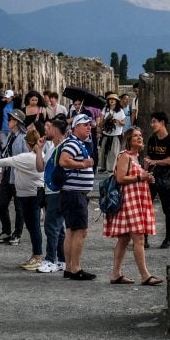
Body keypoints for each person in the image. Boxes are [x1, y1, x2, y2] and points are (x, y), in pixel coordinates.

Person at [0, 127, 45, 270]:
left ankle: (38, 256)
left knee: (34, 228)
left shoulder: (24, 158)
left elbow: (2, 162)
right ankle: (36, 255)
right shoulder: (40, 155)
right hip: (33, 194)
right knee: (34, 228)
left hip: (28, 196)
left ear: (27, 143)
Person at [104, 128, 161, 286]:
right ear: (129, 140)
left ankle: (116, 274)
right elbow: (121, 178)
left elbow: (134, 177)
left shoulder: (136, 157)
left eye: (140, 135)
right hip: (129, 200)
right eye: (135, 136)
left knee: (124, 239)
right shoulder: (125, 155)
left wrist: (146, 179)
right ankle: (145, 275)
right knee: (138, 238)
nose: (139, 138)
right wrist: (140, 177)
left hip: (136, 199)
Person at [59, 114, 96, 280]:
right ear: (75, 127)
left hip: (72, 193)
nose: (89, 127)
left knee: (71, 231)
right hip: (75, 194)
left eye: (89, 125)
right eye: (85, 125)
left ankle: (69, 267)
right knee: (79, 231)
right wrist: (83, 164)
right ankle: (75, 268)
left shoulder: (77, 143)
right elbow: (64, 161)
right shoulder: (73, 143)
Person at [35, 117, 68, 273]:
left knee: (51, 226)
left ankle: (50, 259)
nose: (45, 130)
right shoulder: (51, 147)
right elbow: (40, 168)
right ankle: (61, 259)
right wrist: (39, 150)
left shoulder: (63, 147)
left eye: (48, 127)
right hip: (49, 190)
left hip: (56, 191)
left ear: (55, 130)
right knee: (58, 228)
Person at [144, 111, 170, 249]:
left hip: (165, 177)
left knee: (167, 209)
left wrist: (155, 162)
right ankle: (144, 237)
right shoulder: (152, 139)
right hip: (151, 176)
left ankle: (168, 238)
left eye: (154, 122)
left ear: (162, 123)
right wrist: (144, 173)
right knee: (146, 207)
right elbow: (147, 158)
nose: (152, 125)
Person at [0, 109, 27, 244]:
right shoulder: (10, 136)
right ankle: (6, 230)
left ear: (17, 122)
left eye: (12, 119)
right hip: (8, 173)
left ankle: (17, 233)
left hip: (18, 174)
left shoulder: (23, 138)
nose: (9, 122)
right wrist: (2, 172)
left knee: (19, 207)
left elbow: (25, 157)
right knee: (2, 203)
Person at [98, 94, 125, 172]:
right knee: (103, 150)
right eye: (110, 99)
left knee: (113, 152)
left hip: (116, 134)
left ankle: (111, 168)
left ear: (116, 101)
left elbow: (123, 123)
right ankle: (103, 167)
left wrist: (117, 121)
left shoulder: (120, 110)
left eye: (113, 99)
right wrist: (106, 119)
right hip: (106, 133)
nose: (111, 101)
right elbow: (101, 122)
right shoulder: (105, 109)